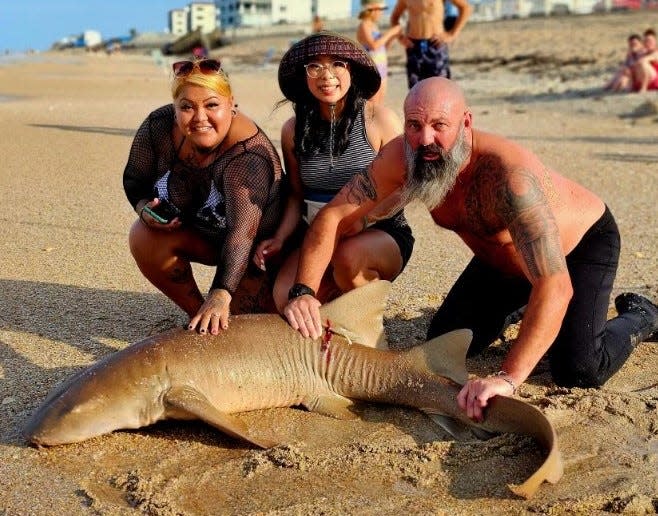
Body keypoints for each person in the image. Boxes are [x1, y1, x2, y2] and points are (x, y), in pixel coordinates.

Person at [283, 77, 658, 422]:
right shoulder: (405, 158)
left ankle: (643, 315)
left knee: (578, 370)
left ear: (466, 122)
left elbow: (555, 284)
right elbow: (331, 218)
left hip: (577, 250)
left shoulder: (509, 178)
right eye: (414, 125)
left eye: (438, 126)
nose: (424, 139)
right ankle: (526, 310)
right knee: (445, 341)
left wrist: (507, 379)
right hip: (503, 264)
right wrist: (303, 293)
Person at [253, 32, 414, 314]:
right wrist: (280, 237)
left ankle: (368, 331)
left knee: (348, 261)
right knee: (285, 299)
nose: (326, 75)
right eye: (314, 67)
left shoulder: (379, 119)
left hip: (378, 228)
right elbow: (295, 195)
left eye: (337, 64)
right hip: (316, 233)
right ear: (304, 77)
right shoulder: (293, 129)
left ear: (351, 69)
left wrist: (362, 221)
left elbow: (404, 188)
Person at [123, 58, 285, 335]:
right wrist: (143, 209)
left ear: (231, 103)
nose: (199, 118)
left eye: (211, 105)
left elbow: (242, 234)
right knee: (143, 236)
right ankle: (199, 316)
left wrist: (221, 293)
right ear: (175, 109)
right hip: (204, 237)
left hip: (257, 252)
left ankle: (221, 311)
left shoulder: (247, 155)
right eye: (187, 107)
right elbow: (134, 179)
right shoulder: (158, 127)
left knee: (251, 330)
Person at [390, 0, 472, 88]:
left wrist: (452, 34)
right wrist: (401, 38)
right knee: (415, 90)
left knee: (440, 87)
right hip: (414, 46)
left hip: (435, 44)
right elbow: (394, 18)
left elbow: (466, 8)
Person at [356, 0, 402, 104]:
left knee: (379, 104)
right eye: (380, 10)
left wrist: (393, 36)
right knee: (372, 105)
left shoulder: (374, 26)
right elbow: (374, 46)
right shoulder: (364, 25)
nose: (381, 13)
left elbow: (383, 47)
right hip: (371, 69)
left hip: (381, 68)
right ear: (372, 10)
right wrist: (391, 32)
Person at [631, 28, 658, 93]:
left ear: (655, 42)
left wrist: (641, 56)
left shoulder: (656, 53)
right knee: (632, 66)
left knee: (642, 62)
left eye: (650, 41)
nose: (648, 43)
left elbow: (645, 60)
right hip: (640, 82)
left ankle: (644, 87)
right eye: (645, 41)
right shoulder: (643, 53)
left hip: (654, 82)